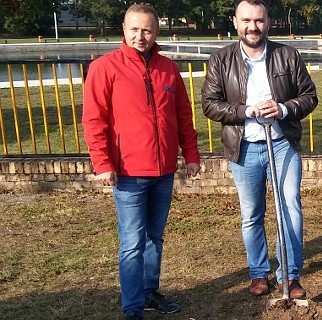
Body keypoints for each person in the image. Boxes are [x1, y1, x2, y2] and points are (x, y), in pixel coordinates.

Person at [82, 4, 201, 320]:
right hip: (128, 173)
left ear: (156, 31)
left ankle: (149, 292)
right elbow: (94, 120)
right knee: (133, 242)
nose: (140, 35)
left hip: (163, 172)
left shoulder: (168, 69)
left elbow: (182, 116)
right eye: (134, 29)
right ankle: (133, 308)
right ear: (124, 29)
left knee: (154, 238)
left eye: (147, 29)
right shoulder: (105, 68)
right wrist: (103, 163)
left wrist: (190, 154)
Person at [201, 0, 317, 299]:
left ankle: (289, 276)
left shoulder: (287, 55)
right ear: (235, 22)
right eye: (247, 20)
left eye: (260, 20)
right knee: (252, 213)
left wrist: (282, 108)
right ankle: (258, 273)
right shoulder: (221, 59)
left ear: (268, 22)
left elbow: (309, 96)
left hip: (282, 145)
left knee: (290, 207)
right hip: (244, 148)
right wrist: (246, 111)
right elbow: (210, 105)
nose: (253, 27)